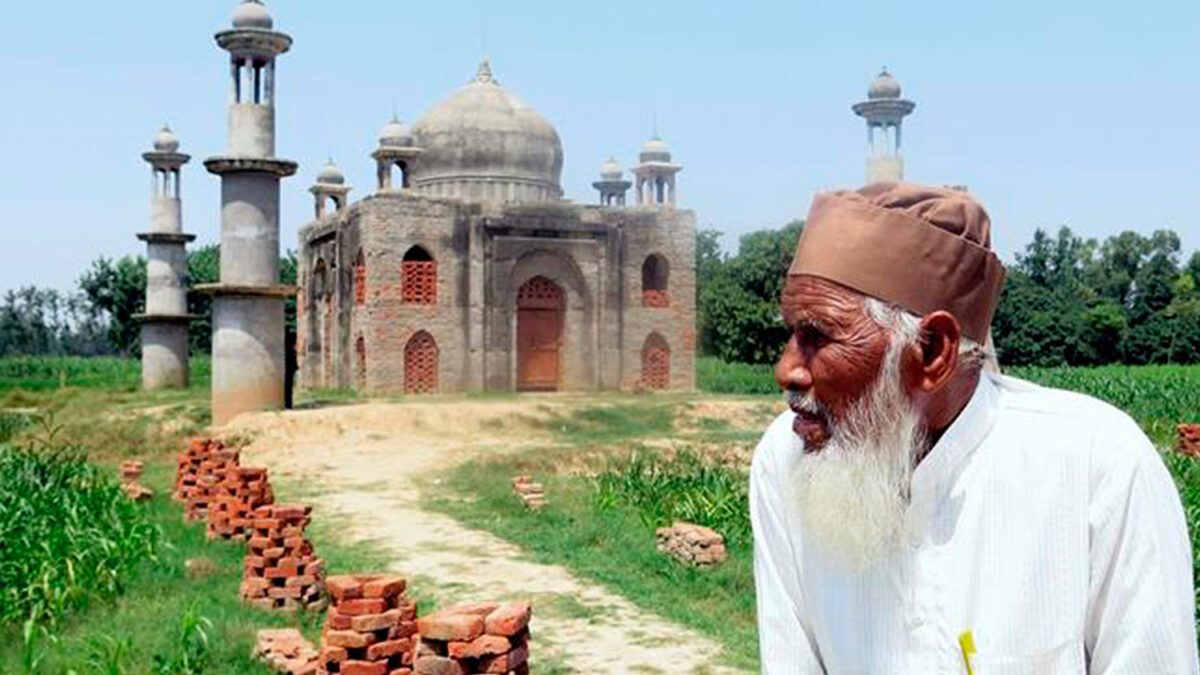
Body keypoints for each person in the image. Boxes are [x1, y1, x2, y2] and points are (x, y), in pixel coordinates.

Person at [750, 183, 1198, 673]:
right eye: (790, 332)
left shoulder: (1098, 467)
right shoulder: (786, 459)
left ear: (932, 352)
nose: (786, 369)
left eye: (817, 337)